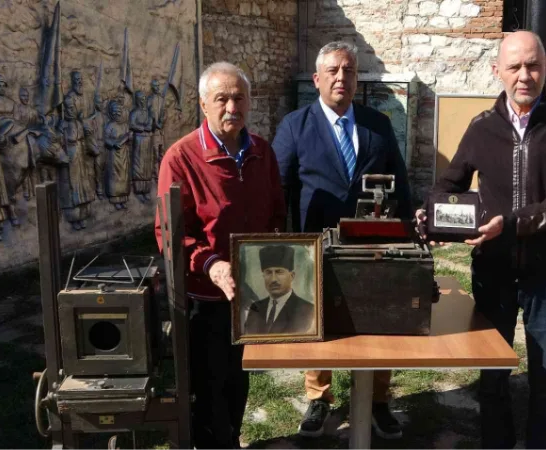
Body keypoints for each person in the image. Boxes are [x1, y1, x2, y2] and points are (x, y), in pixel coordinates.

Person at [416, 30, 546, 450]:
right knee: (492, 377)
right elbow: (448, 184)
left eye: (533, 65)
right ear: (497, 71)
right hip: (493, 271)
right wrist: (433, 215)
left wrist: (512, 223)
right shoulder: (481, 128)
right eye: (514, 66)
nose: (524, 75)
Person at [272, 40, 411, 440]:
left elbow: (399, 182)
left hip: (372, 244)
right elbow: (279, 187)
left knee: (380, 319)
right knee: (321, 324)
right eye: (333, 70)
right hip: (316, 245)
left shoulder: (377, 124)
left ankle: (377, 400)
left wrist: (406, 230)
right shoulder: (295, 126)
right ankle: (319, 397)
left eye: (349, 71)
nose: (341, 78)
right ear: (316, 79)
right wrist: (282, 242)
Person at [154, 61, 285, 450]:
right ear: (203, 105)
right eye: (222, 98)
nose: (232, 107)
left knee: (239, 375)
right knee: (207, 384)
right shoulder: (181, 158)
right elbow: (168, 234)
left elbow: (277, 212)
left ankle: (232, 437)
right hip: (203, 297)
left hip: (251, 293)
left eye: (239, 98)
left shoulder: (262, 152)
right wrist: (212, 264)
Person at [244, 245, 315, 335]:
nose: (273, 279)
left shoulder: (307, 310)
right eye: (268, 272)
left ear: (292, 276)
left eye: (279, 272)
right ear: (263, 276)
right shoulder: (255, 308)